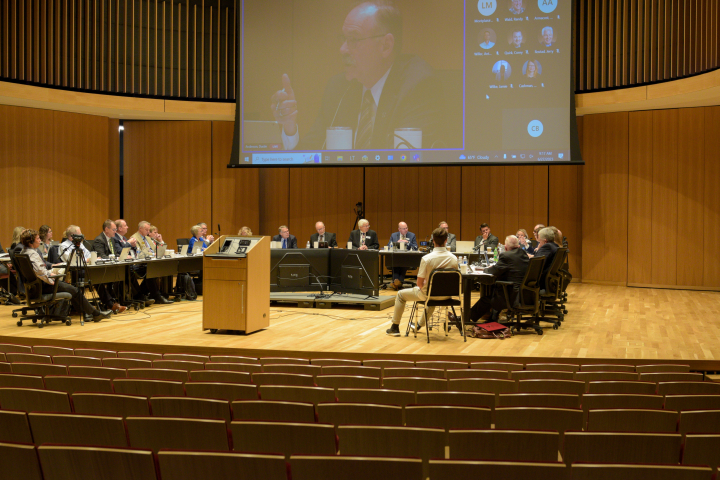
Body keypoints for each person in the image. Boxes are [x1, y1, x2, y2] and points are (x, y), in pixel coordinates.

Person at [272, 1, 447, 150]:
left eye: (354, 40)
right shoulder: (339, 88)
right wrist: (289, 126)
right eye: (343, 39)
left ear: (386, 46)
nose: (342, 50)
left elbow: (407, 163)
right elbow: (311, 154)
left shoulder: (418, 86)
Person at [19, 229, 111, 322]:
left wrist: (49, 274)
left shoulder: (24, 252)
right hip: (44, 285)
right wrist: (52, 280)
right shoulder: (33, 254)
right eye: (38, 238)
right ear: (31, 242)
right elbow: (40, 272)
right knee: (75, 290)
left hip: (35, 286)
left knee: (72, 290)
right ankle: (95, 314)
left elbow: (38, 271)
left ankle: (89, 313)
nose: (40, 240)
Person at [386, 227, 458, 336]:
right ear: (446, 240)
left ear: (433, 240)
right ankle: (418, 325)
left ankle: (395, 327)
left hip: (428, 294)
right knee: (433, 293)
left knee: (401, 294)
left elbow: (419, 284)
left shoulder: (427, 258)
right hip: (447, 295)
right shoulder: (454, 258)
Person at [468, 235, 531, 323]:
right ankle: (491, 318)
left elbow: (494, 271)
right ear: (518, 246)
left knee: (487, 299)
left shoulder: (506, 255)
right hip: (525, 293)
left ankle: (467, 318)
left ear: (505, 247)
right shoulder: (523, 253)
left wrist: (485, 269)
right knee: (491, 294)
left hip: (511, 295)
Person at [131, 221, 173, 305]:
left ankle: (144, 293)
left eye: (148, 230)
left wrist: (160, 245)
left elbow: (155, 249)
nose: (148, 231)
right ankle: (157, 296)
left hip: (149, 263)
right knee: (151, 270)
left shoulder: (147, 238)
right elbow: (140, 252)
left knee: (162, 267)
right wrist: (154, 254)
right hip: (139, 265)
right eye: (146, 229)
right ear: (140, 229)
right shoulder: (134, 238)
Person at [90, 220, 127, 314]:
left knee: (121, 273)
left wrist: (122, 256)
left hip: (109, 267)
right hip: (98, 270)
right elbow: (101, 256)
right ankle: (110, 304)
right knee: (100, 280)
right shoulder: (99, 240)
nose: (115, 231)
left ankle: (116, 301)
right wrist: (116, 257)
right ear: (107, 229)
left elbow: (115, 253)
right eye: (114, 229)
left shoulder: (111, 239)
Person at [387, 222, 418, 289]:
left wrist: (408, 243)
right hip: (396, 258)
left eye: (406, 228)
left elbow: (416, 247)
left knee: (402, 263)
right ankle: (398, 282)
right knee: (395, 263)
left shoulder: (412, 235)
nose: (406, 230)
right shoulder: (394, 235)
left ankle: (396, 283)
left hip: (407, 258)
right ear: (399, 229)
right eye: (404, 228)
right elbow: (388, 246)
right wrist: (397, 243)